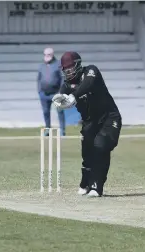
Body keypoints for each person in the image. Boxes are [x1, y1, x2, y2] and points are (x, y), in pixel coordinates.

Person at [53, 52, 122, 197]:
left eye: (70, 69)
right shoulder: (66, 86)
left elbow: (88, 84)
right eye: (65, 70)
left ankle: (96, 186)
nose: (68, 72)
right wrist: (59, 101)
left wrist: (74, 95)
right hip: (90, 122)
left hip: (109, 117)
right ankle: (85, 183)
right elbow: (61, 97)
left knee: (101, 146)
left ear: (78, 65)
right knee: (87, 153)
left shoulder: (91, 71)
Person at [37, 48, 66, 136]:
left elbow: (62, 78)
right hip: (44, 94)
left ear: (52, 55)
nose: (47, 56)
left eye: (49, 55)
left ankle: (62, 130)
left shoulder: (58, 64)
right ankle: (47, 129)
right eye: (45, 55)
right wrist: (39, 90)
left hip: (56, 93)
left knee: (59, 111)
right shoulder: (41, 66)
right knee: (46, 112)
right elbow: (39, 79)